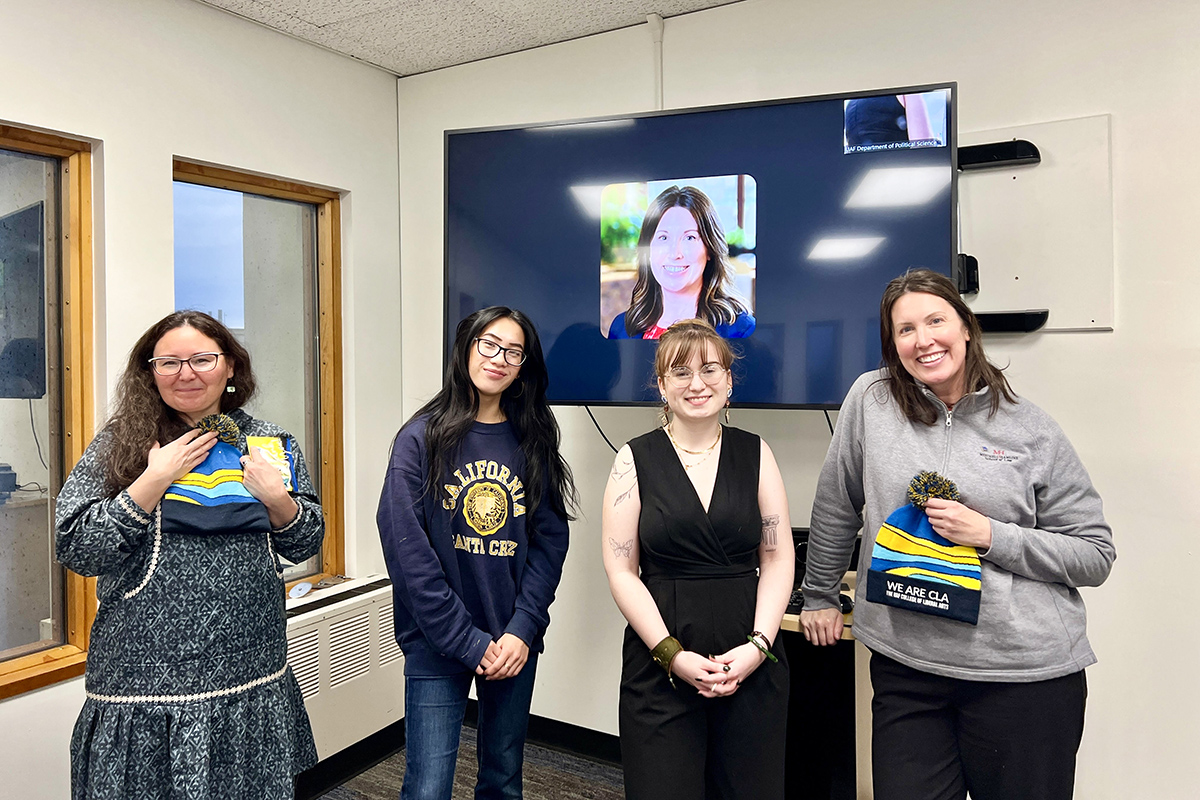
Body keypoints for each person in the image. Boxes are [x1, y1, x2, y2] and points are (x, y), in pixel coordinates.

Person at [801, 269, 1115, 800]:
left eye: (935, 321)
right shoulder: (870, 401)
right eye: (904, 330)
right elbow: (836, 504)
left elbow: (1095, 554)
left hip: (1021, 677)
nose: (922, 340)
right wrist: (818, 595)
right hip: (907, 672)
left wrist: (991, 534)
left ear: (966, 327)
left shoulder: (1030, 429)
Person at [56, 310, 323, 800]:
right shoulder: (123, 445)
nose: (186, 373)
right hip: (145, 687)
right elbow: (76, 546)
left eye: (202, 359)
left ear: (230, 369)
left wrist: (278, 499)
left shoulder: (272, 443)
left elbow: (305, 542)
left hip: (251, 675)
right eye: (168, 362)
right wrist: (153, 479)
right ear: (150, 373)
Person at [377, 306, 577, 800]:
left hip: (512, 644)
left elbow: (550, 544)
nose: (499, 358)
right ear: (466, 347)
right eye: (489, 344)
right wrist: (464, 639)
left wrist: (523, 628)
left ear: (523, 364)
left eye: (513, 350)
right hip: (437, 640)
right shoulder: (419, 438)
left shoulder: (533, 439)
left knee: (504, 780)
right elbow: (407, 553)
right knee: (428, 786)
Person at [602, 318, 792, 798]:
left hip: (752, 664)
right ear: (661, 386)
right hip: (660, 668)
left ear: (729, 382)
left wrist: (758, 648)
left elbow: (777, 559)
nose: (697, 383)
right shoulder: (633, 459)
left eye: (710, 370)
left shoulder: (757, 453)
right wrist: (673, 656)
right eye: (680, 372)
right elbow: (621, 571)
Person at [607, 185, 754, 340]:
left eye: (689, 238)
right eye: (663, 238)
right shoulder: (621, 329)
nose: (674, 253)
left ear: (710, 249)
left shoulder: (742, 330)